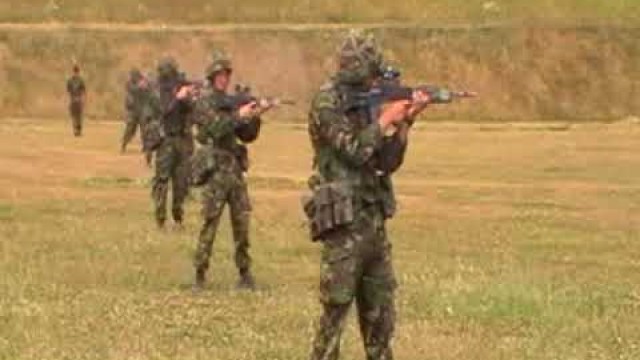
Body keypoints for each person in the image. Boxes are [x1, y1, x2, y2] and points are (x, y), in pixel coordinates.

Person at [305, 30, 431, 360]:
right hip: (343, 225)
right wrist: (385, 118)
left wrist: (404, 125)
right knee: (334, 318)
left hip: (373, 222)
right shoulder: (327, 102)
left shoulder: (368, 103)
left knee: (380, 323)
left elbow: (385, 162)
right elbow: (355, 150)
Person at [191, 49, 272, 291]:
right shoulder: (205, 102)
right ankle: (200, 274)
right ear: (212, 76)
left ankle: (245, 273)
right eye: (220, 75)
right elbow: (216, 129)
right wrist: (239, 115)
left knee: (241, 224)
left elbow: (246, 136)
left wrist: (255, 116)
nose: (224, 79)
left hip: (234, 170)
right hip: (216, 170)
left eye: (226, 74)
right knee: (210, 224)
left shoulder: (229, 103)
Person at [150, 57, 193, 228]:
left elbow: (190, 110)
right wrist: (178, 97)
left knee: (181, 182)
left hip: (181, 139)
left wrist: (189, 97)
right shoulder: (160, 90)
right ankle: (161, 219)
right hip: (166, 140)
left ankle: (178, 218)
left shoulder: (178, 87)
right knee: (162, 181)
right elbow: (164, 110)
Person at [66, 65, 86, 137]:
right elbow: (68, 90)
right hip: (73, 100)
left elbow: (83, 91)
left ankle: (78, 130)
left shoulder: (80, 80)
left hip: (78, 100)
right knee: (74, 116)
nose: (76, 73)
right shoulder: (71, 80)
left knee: (79, 117)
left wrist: (82, 99)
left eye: (76, 72)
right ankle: (76, 131)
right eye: (75, 72)